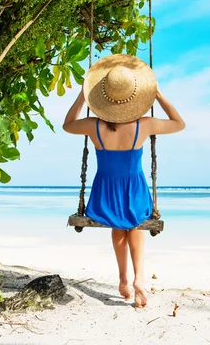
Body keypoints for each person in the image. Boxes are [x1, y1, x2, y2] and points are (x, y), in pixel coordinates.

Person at [63, 54, 185, 307]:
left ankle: (122, 278)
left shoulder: (93, 125)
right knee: (136, 222)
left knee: (119, 224)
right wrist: (158, 95)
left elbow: (67, 125)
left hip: (104, 193)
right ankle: (139, 278)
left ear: (104, 98)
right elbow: (179, 124)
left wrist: (81, 96)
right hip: (135, 188)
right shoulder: (145, 125)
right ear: (135, 96)